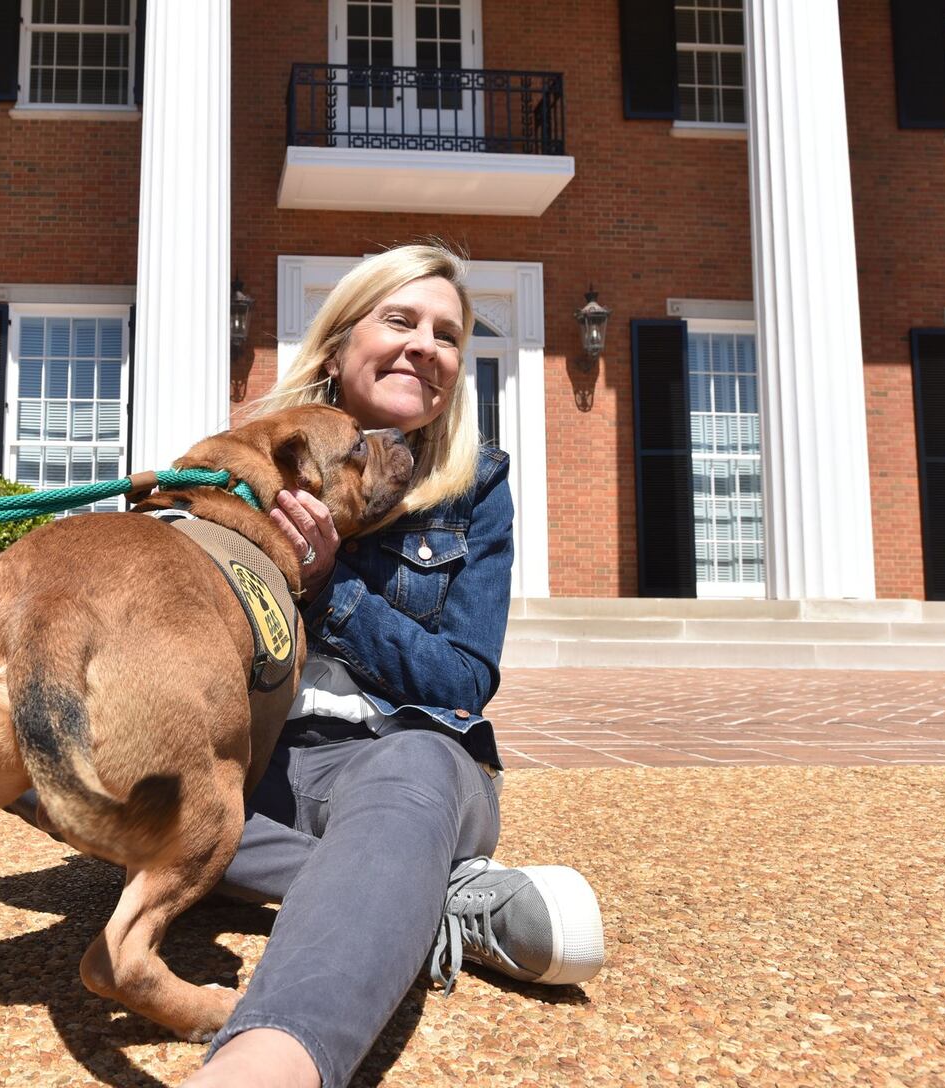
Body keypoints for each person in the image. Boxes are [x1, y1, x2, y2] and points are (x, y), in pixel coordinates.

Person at [180, 243, 606, 1088]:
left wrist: (333, 586)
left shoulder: (475, 487)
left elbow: (463, 681)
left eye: (448, 335)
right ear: (338, 345)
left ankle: (270, 1065)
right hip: (261, 764)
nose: (426, 347)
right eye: (401, 320)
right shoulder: (256, 454)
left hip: (406, 758)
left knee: (408, 766)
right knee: (67, 746)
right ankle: (413, 899)